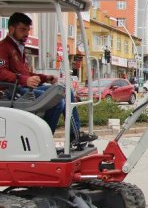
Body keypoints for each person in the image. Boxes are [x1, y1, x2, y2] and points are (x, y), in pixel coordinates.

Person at [0, 12, 96, 147]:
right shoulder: (3, 47)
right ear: (11, 29)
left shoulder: (19, 48)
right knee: (57, 102)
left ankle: (74, 134)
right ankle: (43, 141)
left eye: (28, 30)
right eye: (23, 29)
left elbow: (25, 73)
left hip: (24, 88)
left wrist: (45, 78)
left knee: (65, 91)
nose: (26, 33)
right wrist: (24, 80)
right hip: (12, 92)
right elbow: (2, 72)